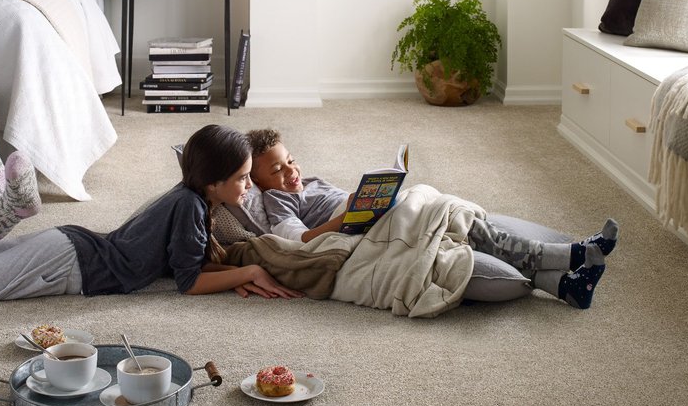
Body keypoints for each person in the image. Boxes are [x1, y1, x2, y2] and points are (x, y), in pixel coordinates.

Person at [0, 125, 302, 305]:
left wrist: (232, 276)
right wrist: (249, 272)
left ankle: (6, 210)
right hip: (68, 265)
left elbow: (189, 267)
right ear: (213, 183)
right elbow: (189, 283)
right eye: (243, 178)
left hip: (67, 250)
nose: (249, 186)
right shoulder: (190, 207)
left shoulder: (191, 198)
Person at [246, 128, 618, 310]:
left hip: (373, 213)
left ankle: (568, 288)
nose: (290, 172)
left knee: (451, 217)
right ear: (258, 181)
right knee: (450, 221)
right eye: (277, 170)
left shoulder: (308, 182)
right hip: (361, 226)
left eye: (291, 160)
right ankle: (570, 255)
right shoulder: (276, 201)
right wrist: (349, 214)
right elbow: (301, 240)